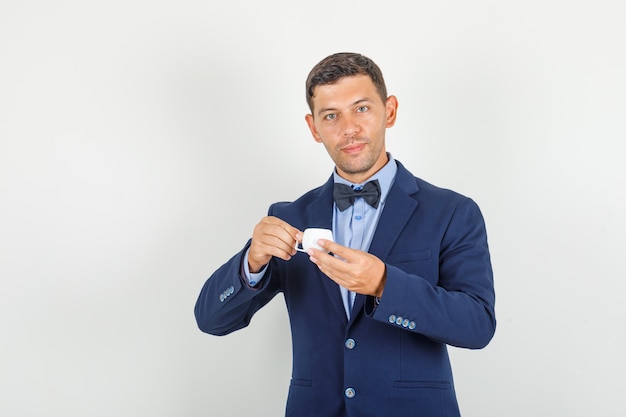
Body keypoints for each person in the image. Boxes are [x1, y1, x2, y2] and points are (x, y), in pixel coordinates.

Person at [194, 52, 496, 417]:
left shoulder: (452, 212)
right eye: (331, 115)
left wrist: (386, 284)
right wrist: (250, 263)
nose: (348, 128)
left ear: (390, 111)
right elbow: (211, 320)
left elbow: (477, 325)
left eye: (362, 109)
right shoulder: (289, 216)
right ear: (314, 127)